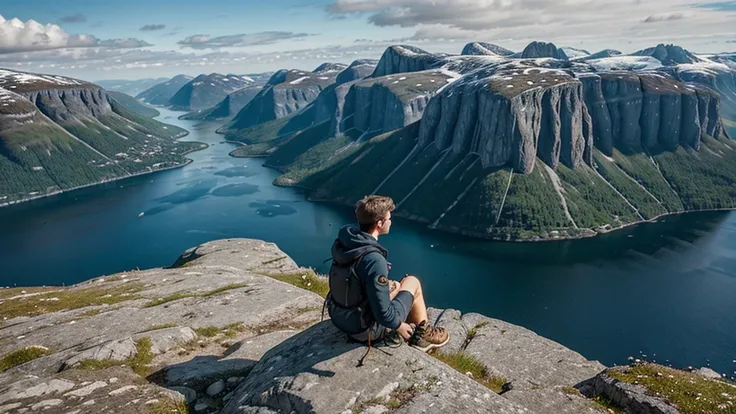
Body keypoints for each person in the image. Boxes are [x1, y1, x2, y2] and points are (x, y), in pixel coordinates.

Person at [326, 195, 449, 353]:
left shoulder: (348, 244)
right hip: (365, 330)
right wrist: (399, 326)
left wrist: (392, 288)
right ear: (380, 223)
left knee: (396, 285)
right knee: (412, 282)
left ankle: (417, 326)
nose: (391, 221)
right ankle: (422, 336)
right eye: (389, 218)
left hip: (341, 317)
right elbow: (382, 312)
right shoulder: (374, 260)